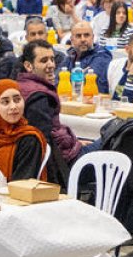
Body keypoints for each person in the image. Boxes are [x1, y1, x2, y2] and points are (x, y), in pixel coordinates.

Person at [17, 39, 85, 170]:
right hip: (65, 163)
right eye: (44, 61)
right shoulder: (39, 96)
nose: (51, 65)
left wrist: (75, 142)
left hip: (65, 152)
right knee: (120, 137)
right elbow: (45, 142)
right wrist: (72, 143)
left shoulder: (22, 84)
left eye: (52, 59)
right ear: (28, 66)